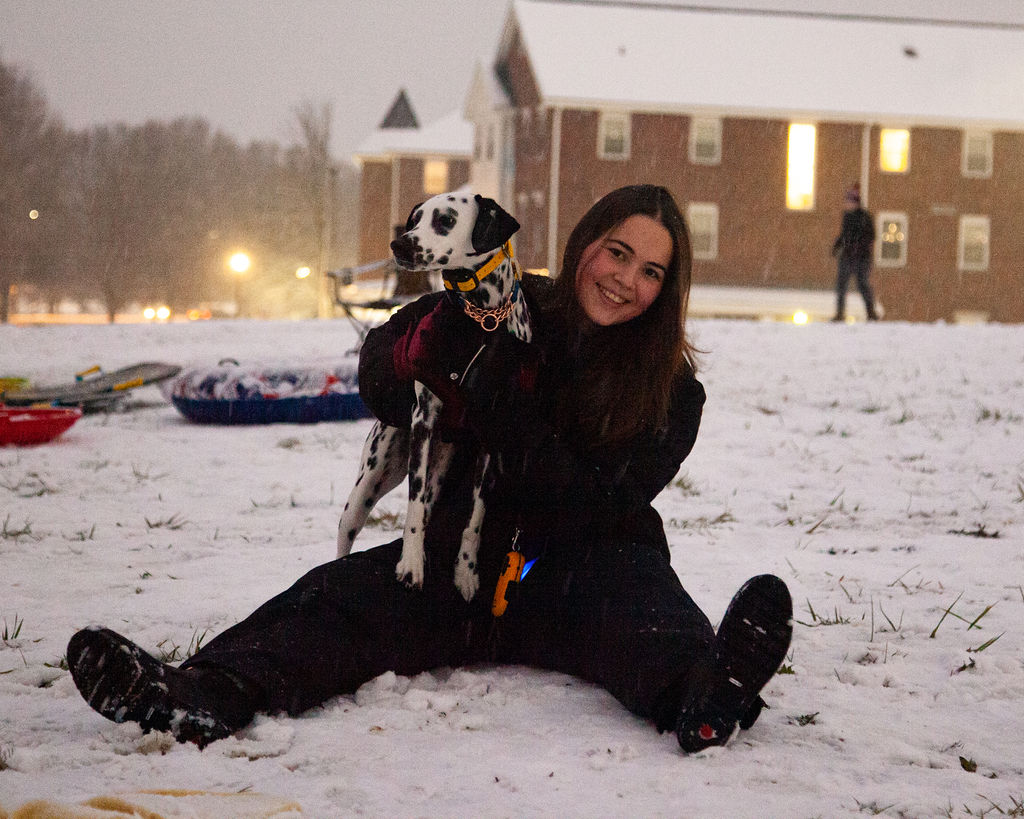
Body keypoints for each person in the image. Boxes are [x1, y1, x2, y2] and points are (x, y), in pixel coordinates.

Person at [66, 184, 793, 754]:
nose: (625, 278)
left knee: (648, 620)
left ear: (667, 290)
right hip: (464, 553)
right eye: (616, 251)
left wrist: (502, 401)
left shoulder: (672, 392)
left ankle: (709, 694)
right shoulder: (508, 300)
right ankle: (199, 692)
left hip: (585, 569)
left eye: (651, 270)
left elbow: (584, 504)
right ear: (584, 246)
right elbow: (383, 378)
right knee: (337, 601)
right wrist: (418, 350)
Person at [831, 182, 878, 321]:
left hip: (862, 257)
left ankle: (871, 312)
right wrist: (837, 245)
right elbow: (844, 235)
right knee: (841, 284)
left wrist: (858, 247)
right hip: (847, 256)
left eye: (849, 202)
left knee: (862, 283)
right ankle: (840, 313)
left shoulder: (864, 217)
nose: (847, 204)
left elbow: (870, 236)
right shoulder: (847, 217)